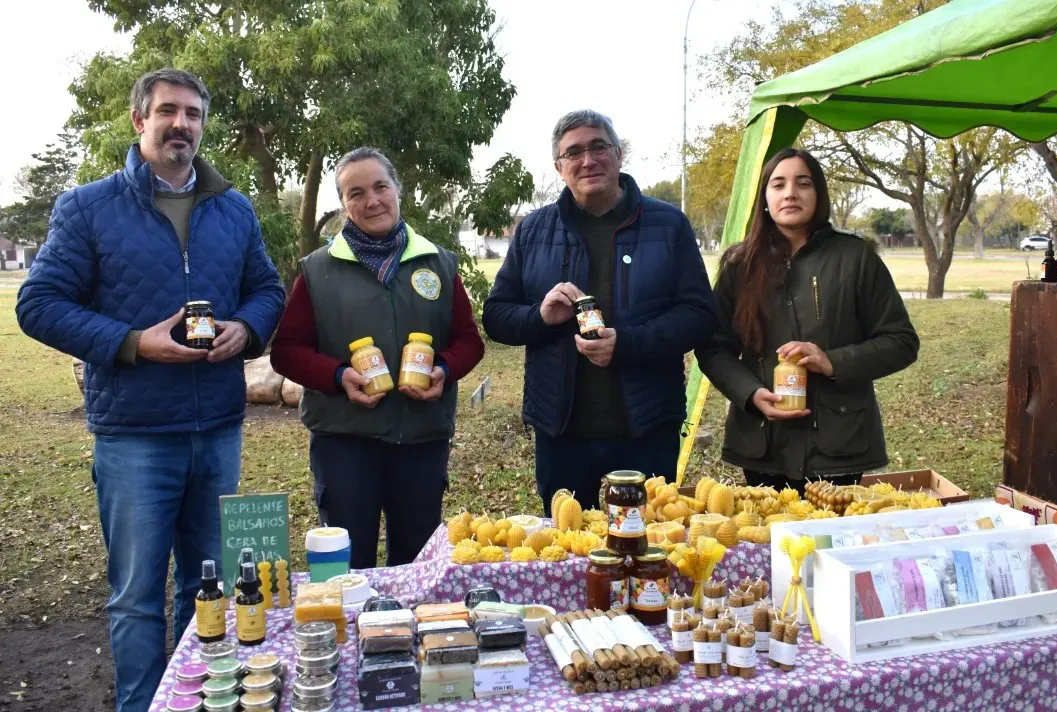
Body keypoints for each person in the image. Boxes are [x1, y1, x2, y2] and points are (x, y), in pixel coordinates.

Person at [16, 68, 285, 711]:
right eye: (168, 111)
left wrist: (246, 329)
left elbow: (268, 290)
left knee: (206, 582)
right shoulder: (88, 207)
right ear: (140, 120)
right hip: (136, 434)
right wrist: (135, 343)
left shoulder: (233, 207)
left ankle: (205, 697)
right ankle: (141, 704)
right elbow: (39, 303)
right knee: (137, 597)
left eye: (194, 115)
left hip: (218, 428)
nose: (182, 125)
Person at [482, 110, 718, 513]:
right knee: (568, 555)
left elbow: (698, 315)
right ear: (559, 168)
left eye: (598, 147)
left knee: (645, 550)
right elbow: (496, 316)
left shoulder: (668, 224)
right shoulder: (534, 230)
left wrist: (626, 345)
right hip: (561, 434)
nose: (587, 160)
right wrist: (539, 315)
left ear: (619, 153)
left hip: (646, 429)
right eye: (573, 153)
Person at [270, 147, 484, 569]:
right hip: (344, 443)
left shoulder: (438, 263)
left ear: (397, 190)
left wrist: (443, 370)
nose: (372, 201)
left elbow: (468, 340)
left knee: (417, 565)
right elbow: (287, 351)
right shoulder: (318, 270)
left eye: (380, 186)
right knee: (348, 569)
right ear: (344, 205)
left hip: (421, 441)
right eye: (356, 193)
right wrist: (336, 376)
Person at [695, 148, 919, 489]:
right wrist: (751, 393)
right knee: (768, 539)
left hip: (838, 443)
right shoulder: (740, 264)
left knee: (830, 538)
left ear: (819, 195)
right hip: (761, 443)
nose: (790, 193)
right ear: (765, 198)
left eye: (803, 183)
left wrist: (832, 361)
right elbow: (713, 347)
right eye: (778, 184)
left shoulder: (855, 258)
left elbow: (901, 342)